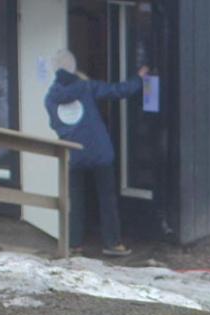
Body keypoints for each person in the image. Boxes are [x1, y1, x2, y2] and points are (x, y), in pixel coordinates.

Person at [44, 50, 148, 257]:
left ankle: (74, 243)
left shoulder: (50, 98)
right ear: (74, 68)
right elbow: (118, 91)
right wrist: (140, 78)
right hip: (99, 152)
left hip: (71, 153)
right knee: (106, 198)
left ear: (55, 70)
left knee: (75, 199)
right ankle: (112, 243)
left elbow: (55, 124)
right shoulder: (86, 87)